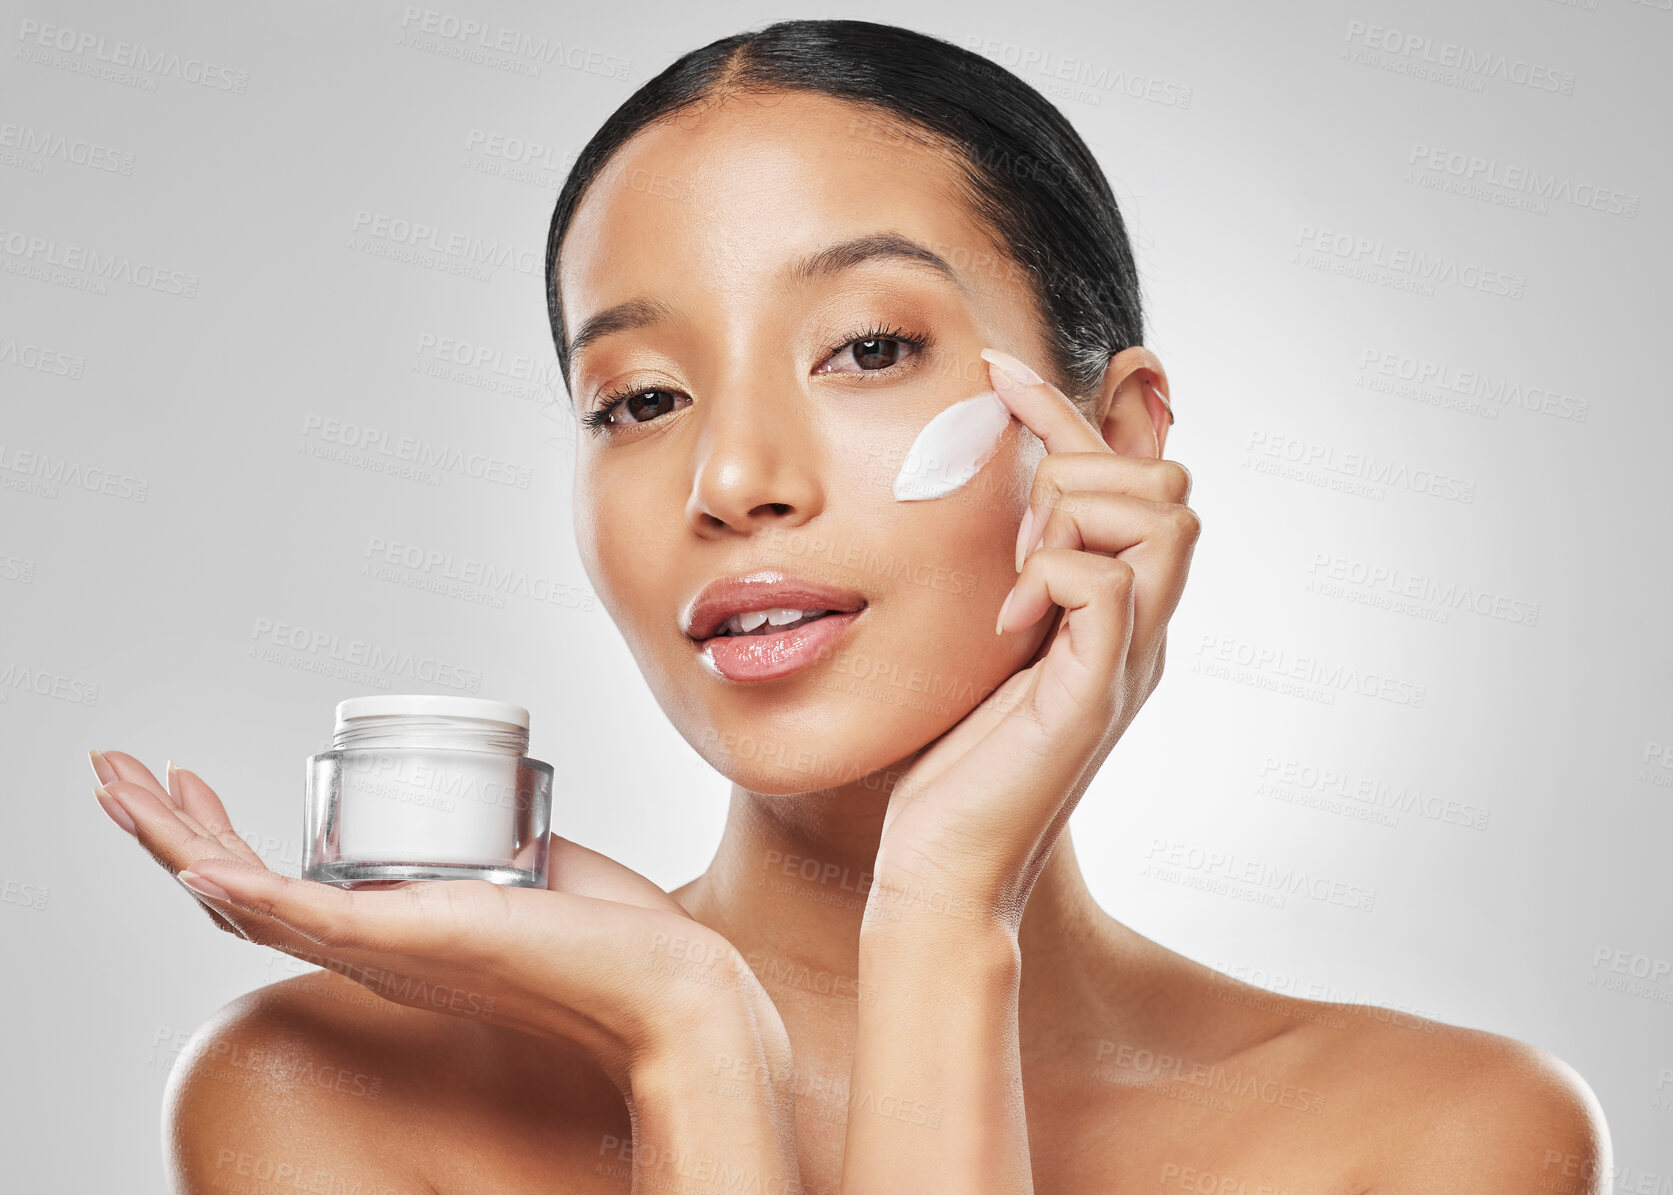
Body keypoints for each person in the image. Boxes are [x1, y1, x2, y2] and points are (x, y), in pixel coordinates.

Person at [92, 19, 1610, 1194]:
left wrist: (942, 920)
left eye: (869, 350)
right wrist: (691, 1036)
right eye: (639, 398)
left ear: (1117, 443)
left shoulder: (1433, 1139)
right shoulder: (325, 1097)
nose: (733, 475)